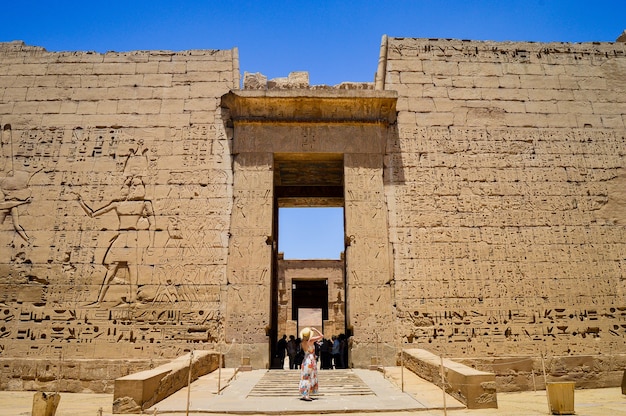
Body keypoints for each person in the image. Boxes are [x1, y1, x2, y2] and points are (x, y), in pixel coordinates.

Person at [298, 327, 323, 401]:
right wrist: (315, 329)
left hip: (305, 360)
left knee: (305, 377)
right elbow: (321, 336)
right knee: (310, 377)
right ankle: (306, 395)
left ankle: (305, 393)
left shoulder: (302, 342)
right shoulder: (311, 340)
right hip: (311, 360)